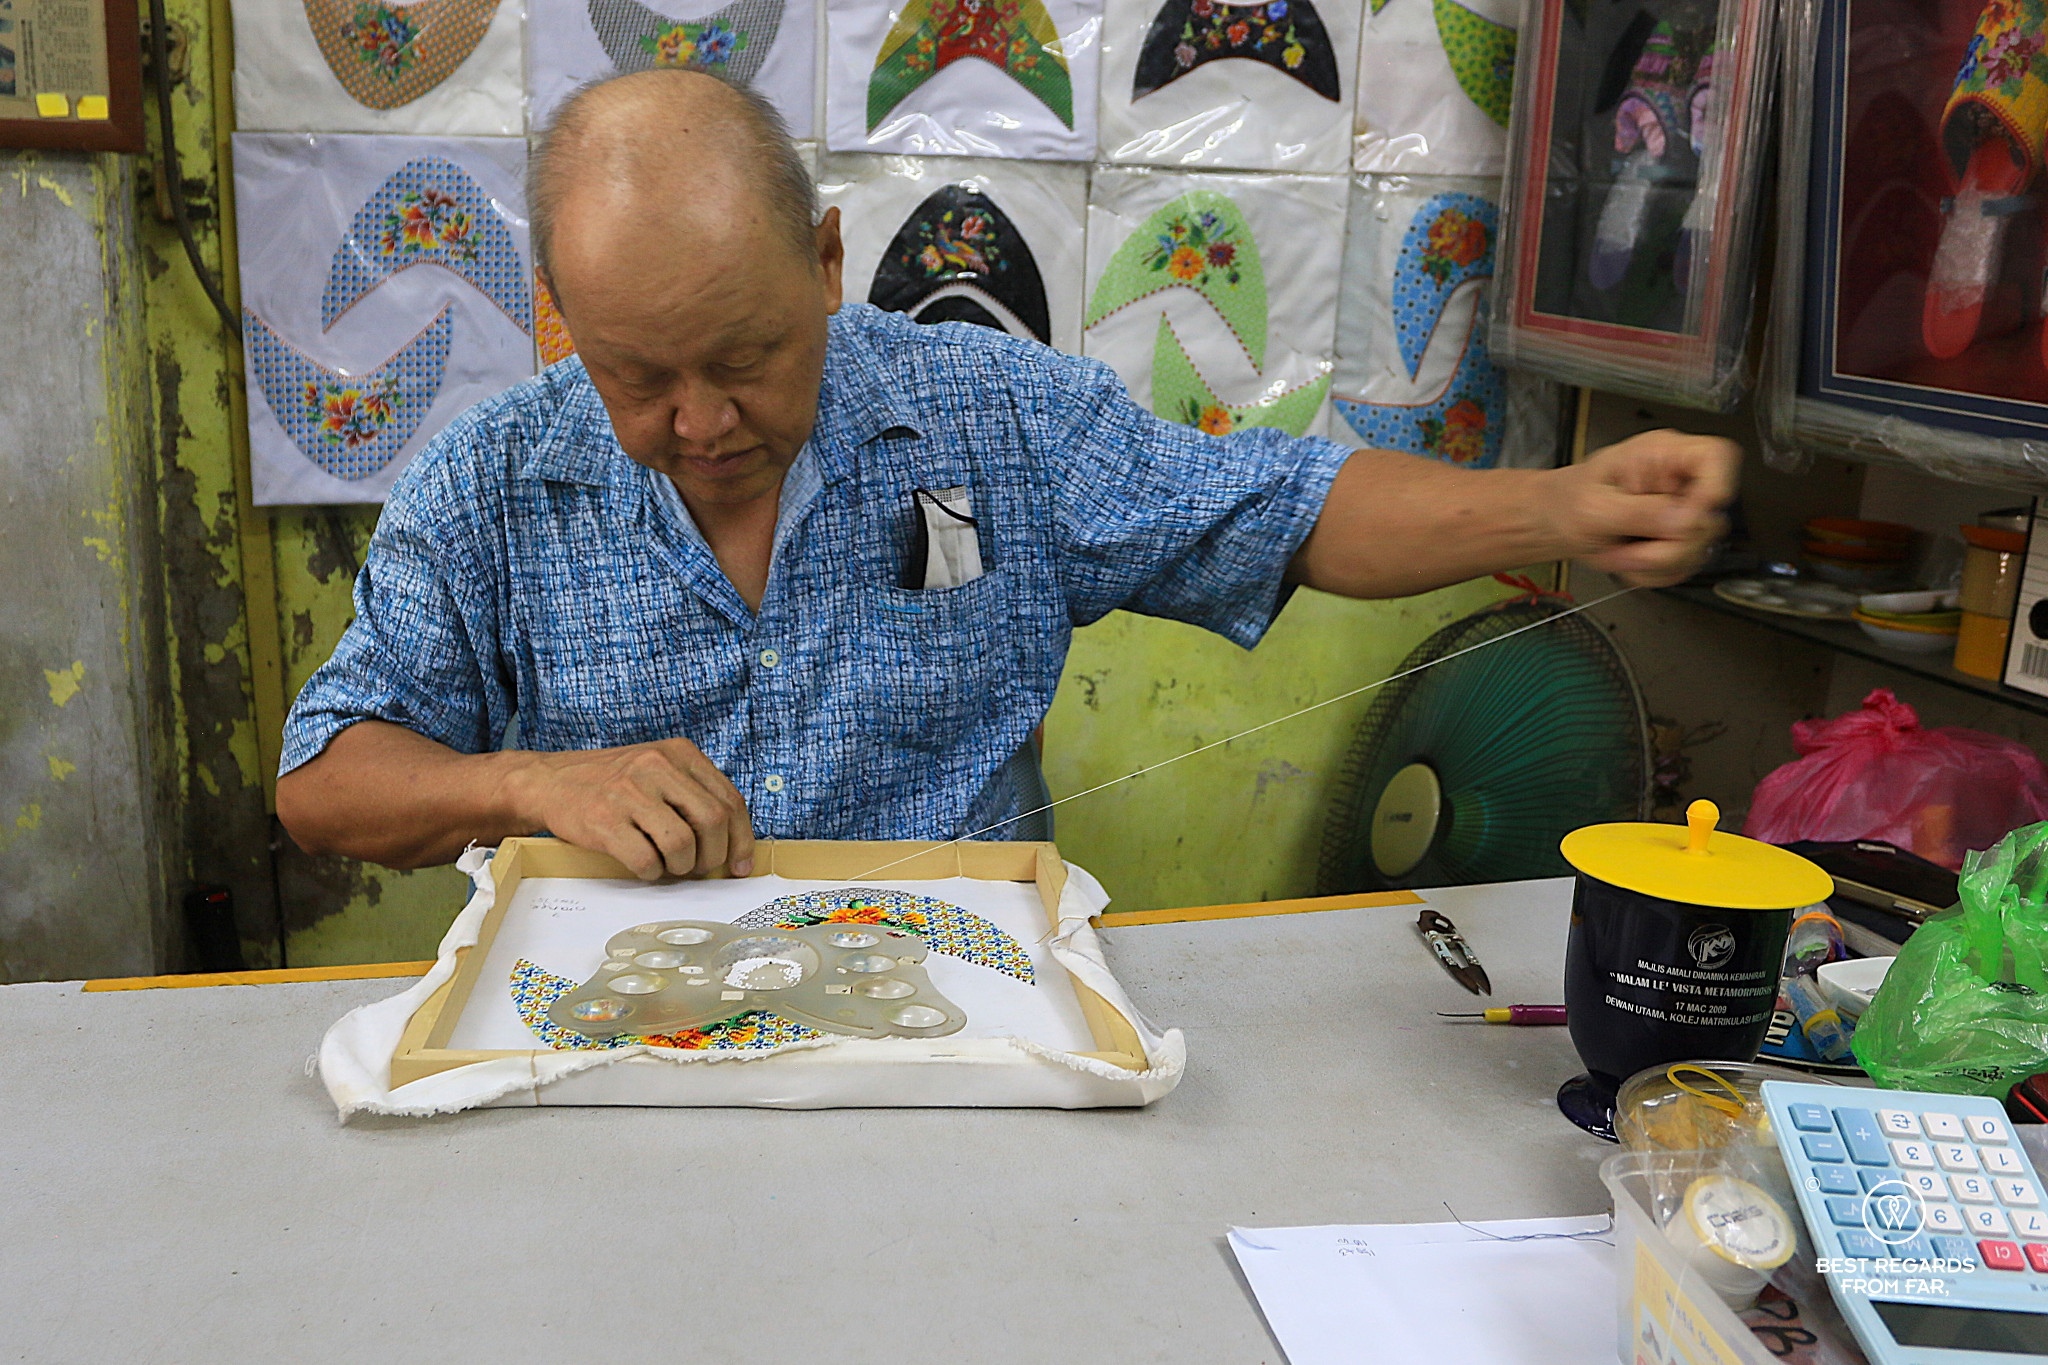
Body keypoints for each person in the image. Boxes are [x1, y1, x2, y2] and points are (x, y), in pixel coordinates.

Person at [276, 69, 1737, 883]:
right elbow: (324, 783)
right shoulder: (490, 482)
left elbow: (1288, 511)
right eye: (637, 377)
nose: (702, 420)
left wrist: (1561, 505)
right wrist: (531, 782)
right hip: (622, 1039)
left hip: (954, 1029)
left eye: (746, 356)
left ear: (828, 263)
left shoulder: (993, 418)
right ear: (562, 322)